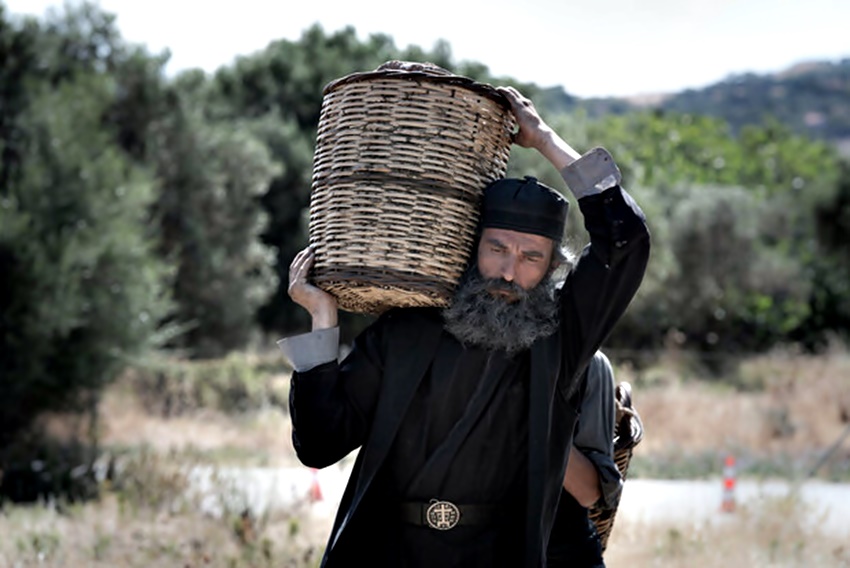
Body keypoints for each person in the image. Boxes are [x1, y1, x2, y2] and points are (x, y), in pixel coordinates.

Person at [279, 84, 650, 567]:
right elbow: (319, 443)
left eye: (531, 257)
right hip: (393, 556)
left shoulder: (561, 339)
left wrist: (543, 138)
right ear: (471, 248)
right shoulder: (406, 330)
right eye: (497, 249)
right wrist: (323, 318)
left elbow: (625, 242)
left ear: (551, 266)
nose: (509, 272)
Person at [548, 350, 622, 568]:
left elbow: (589, 492)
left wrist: (537, 427)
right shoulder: (460, 357)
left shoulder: (588, 364)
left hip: (562, 552)